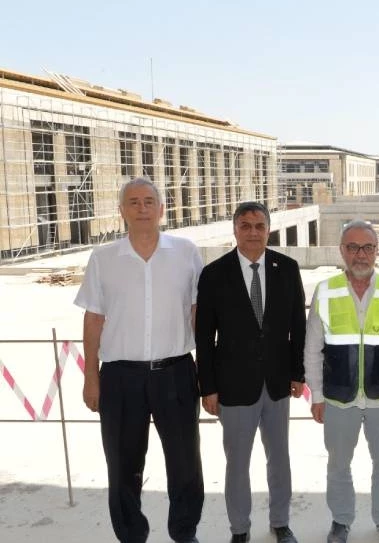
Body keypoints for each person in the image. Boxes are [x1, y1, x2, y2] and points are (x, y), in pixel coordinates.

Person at [75, 177, 204, 543]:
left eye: (149, 201)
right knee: (123, 464)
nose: (142, 208)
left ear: (161, 209)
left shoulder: (186, 252)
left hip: (176, 373)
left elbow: (199, 313)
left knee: (185, 462)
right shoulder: (103, 259)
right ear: (122, 211)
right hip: (120, 377)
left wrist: (209, 372)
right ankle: (131, 535)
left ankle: (184, 532)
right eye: (133, 202)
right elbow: (93, 319)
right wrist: (90, 377)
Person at [196, 201, 306, 543]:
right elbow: (204, 337)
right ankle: (239, 529)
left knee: (280, 458)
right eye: (245, 226)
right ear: (235, 230)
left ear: (269, 230)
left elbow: (298, 326)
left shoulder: (287, 268)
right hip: (233, 387)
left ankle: (280, 522)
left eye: (259, 226)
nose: (253, 232)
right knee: (238, 463)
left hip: (277, 383)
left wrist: (297, 373)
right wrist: (207, 388)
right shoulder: (213, 274)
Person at [304, 220, 379, 543]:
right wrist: (316, 395)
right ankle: (341, 520)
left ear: (377, 251)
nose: (360, 254)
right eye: (353, 247)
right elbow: (312, 349)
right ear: (342, 251)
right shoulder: (326, 291)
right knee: (338, 465)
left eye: (367, 247)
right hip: (338, 397)